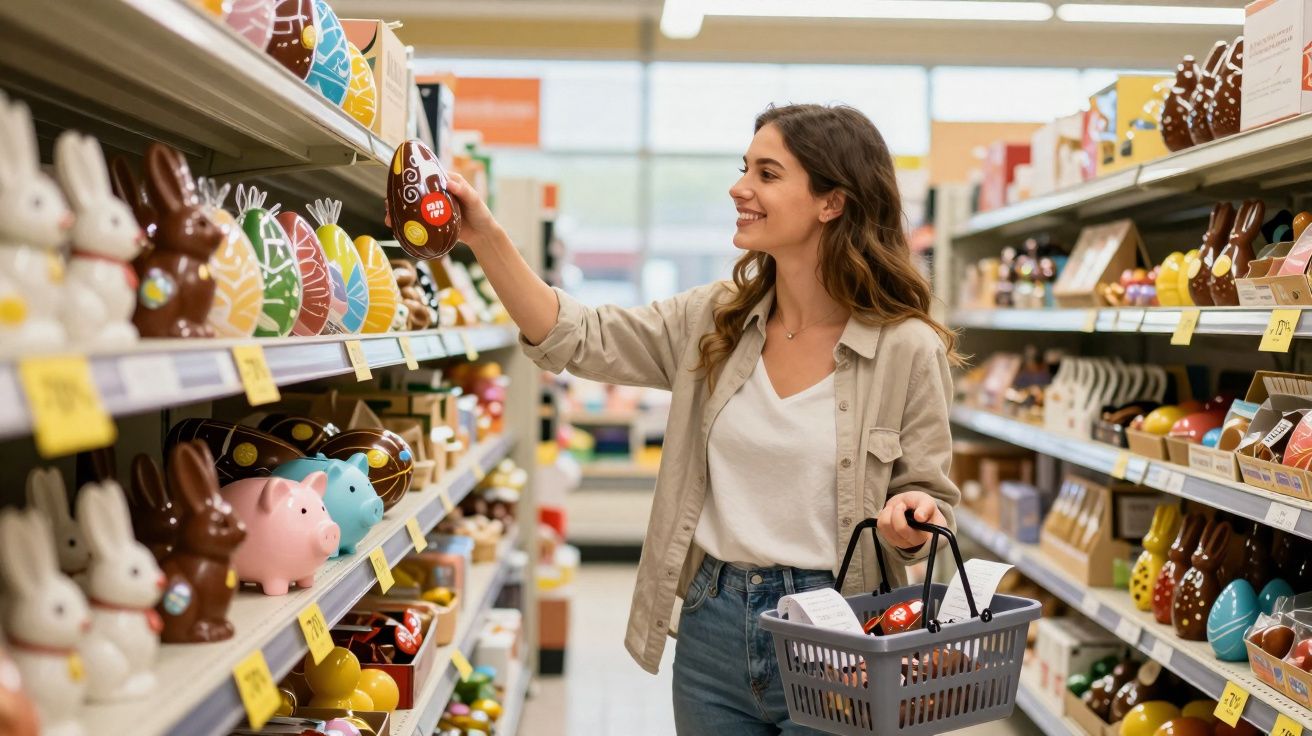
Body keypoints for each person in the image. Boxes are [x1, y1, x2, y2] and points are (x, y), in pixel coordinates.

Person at [444, 103, 963, 735]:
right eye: (744, 168)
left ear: (832, 202)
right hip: (712, 625)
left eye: (767, 174)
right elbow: (575, 335)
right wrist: (485, 236)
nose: (738, 187)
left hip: (840, 632)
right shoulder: (712, 321)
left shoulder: (907, 347)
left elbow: (929, 498)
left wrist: (911, 520)